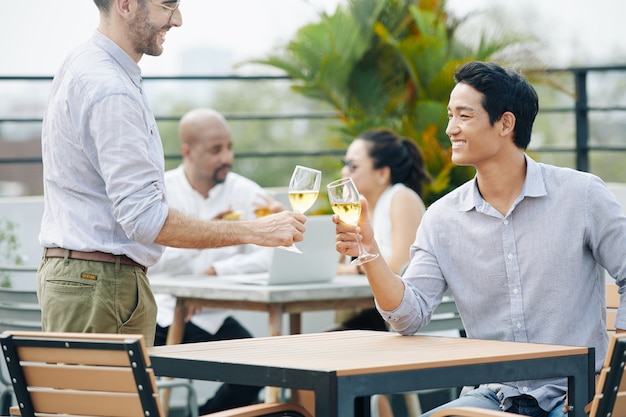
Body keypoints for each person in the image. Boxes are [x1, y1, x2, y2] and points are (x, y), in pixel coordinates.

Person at [332, 60, 626, 417]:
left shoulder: (581, 196)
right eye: (449, 116)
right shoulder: (442, 218)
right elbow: (408, 317)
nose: (450, 129)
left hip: (575, 395)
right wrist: (370, 251)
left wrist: (613, 375)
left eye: (464, 116)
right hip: (493, 396)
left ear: (505, 123)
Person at [37, 0, 305, 348]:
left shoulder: (84, 65)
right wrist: (256, 231)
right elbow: (145, 220)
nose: (177, 20)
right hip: (101, 283)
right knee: (106, 405)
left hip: (86, 280)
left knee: (80, 404)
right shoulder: (111, 88)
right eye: (167, 6)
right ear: (126, 4)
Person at [149, 107, 280, 413]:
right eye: (216, 150)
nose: (227, 158)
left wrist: (218, 270)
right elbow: (150, 261)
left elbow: (273, 252)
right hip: (165, 313)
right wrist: (203, 233)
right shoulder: (160, 192)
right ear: (188, 151)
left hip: (213, 313)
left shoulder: (245, 192)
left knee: (260, 368)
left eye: (230, 147)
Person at [335, 128, 430, 333]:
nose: (345, 172)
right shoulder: (362, 208)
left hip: (416, 326)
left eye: (353, 166)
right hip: (383, 318)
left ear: (382, 173)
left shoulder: (401, 198)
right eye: (344, 164)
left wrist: (355, 268)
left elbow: (401, 265)